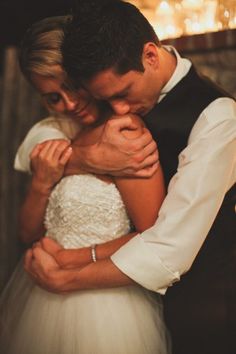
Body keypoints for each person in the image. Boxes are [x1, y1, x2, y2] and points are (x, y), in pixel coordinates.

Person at [24, 1, 236, 354]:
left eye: (122, 95)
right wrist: (84, 158)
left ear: (150, 56)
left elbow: (172, 245)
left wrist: (66, 273)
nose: (118, 110)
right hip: (136, 299)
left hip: (208, 301)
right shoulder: (110, 95)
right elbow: (38, 142)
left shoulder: (219, 117)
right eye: (107, 100)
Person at [0, 15, 171, 354]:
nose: (70, 104)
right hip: (40, 295)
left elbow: (154, 235)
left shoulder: (126, 133)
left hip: (106, 304)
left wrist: (69, 260)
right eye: (53, 97)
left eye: (74, 85)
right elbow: (27, 234)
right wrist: (42, 183)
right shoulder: (56, 134)